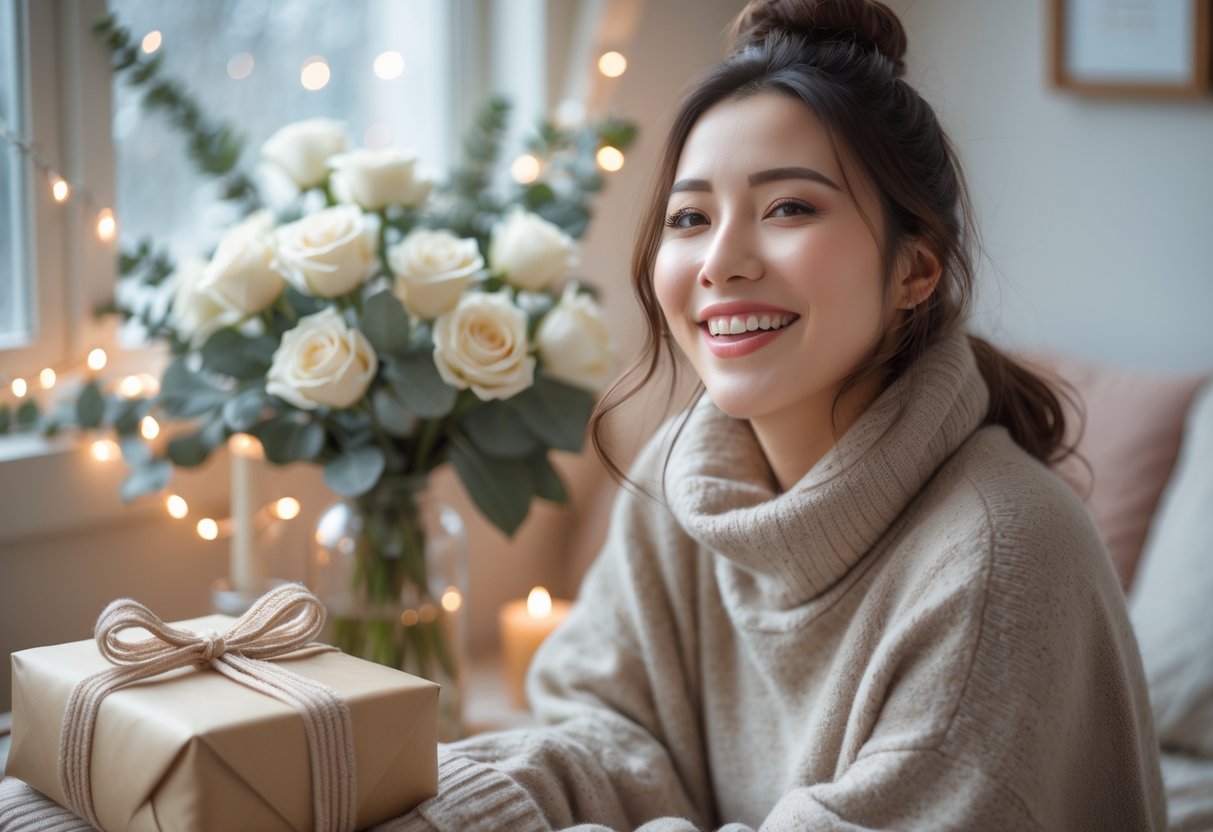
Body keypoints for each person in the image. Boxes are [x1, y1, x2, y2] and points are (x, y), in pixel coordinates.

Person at [392, 1, 1166, 829]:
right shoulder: (678, 477)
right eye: (689, 218)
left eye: (788, 208)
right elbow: (604, 733)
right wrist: (445, 807)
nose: (720, 261)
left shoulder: (1000, 555)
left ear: (915, 269)